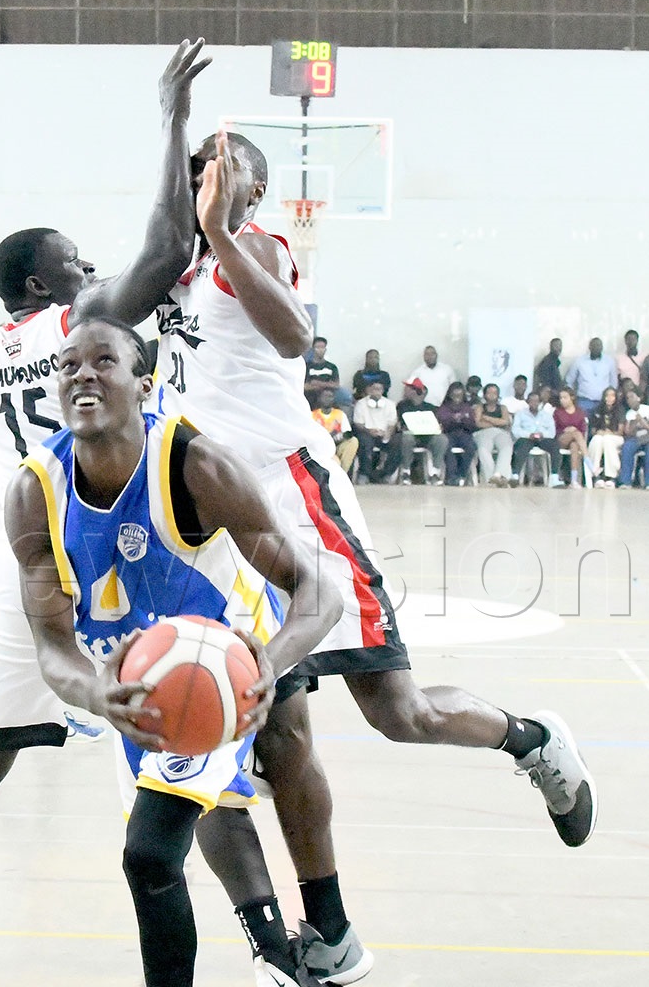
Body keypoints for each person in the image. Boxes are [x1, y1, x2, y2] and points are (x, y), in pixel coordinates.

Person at [154, 128, 596, 895]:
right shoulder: (172, 268)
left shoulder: (254, 246)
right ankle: (319, 930)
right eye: (196, 171)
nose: (204, 180)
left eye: (221, 171)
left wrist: (221, 226)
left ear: (252, 192)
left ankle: (531, 740)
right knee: (272, 720)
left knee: (399, 711)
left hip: (291, 493)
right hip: (215, 510)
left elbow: (295, 336)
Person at [0, 39, 217, 987]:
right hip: (83, 591)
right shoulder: (86, 324)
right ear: (41, 287)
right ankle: (277, 946)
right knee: (197, 767)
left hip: (30, 595)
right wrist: (171, 118)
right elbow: (168, 251)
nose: (90, 267)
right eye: (73, 261)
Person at [7, 316, 357, 987]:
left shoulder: (196, 463)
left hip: (225, 667)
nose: (83, 375)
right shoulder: (34, 489)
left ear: (145, 380)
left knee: (149, 853)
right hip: (135, 682)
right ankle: (284, 960)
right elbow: (53, 648)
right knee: (207, 822)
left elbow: (320, 590)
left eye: (106, 361)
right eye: (69, 365)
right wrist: (98, 693)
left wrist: (265, 667)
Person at [395, 376, 447, 485]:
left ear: (416, 391)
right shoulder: (402, 406)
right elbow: (399, 423)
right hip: (411, 435)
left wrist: (438, 428)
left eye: (408, 388)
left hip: (428, 436)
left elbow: (437, 424)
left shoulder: (431, 408)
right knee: (407, 438)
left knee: (442, 439)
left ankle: (435, 472)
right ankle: (406, 471)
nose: (405, 390)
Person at [510, 390, 563, 487]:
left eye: (536, 401)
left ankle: (554, 477)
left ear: (540, 402)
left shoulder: (546, 415)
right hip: (526, 438)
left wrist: (542, 434)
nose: (534, 403)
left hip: (542, 438)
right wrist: (528, 435)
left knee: (555, 446)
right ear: (527, 402)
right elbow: (515, 430)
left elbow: (552, 432)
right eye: (532, 401)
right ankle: (515, 476)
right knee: (521, 447)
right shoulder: (520, 414)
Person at [352, 380, 401, 483]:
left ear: (383, 391)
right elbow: (358, 423)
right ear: (368, 390)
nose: (376, 391)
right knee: (364, 441)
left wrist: (387, 434)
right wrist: (369, 431)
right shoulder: (361, 404)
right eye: (374, 389)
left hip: (384, 434)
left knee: (398, 442)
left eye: (379, 389)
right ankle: (364, 474)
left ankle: (387, 474)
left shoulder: (390, 404)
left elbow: (392, 423)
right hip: (367, 433)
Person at [435, 381, 477, 486]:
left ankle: (462, 475)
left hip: (464, 434)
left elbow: (472, 424)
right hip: (449, 434)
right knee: (447, 448)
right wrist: (455, 419)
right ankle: (452, 477)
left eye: (460, 395)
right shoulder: (443, 408)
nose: (457, 397)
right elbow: (443, 421)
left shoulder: (467, 407)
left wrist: (461, 420)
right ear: (450, 394)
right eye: (455, 395)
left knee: (471, 447)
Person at [311, 385, 358, 474]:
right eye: (325, 396)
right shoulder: (312, 415)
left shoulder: (340, 414)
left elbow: (348, 433)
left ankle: (342, 473)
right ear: (319, 398)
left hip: (336, 444)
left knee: (353, 441)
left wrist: (336, 437)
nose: (327, 399)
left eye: (330, 396)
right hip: (318, 447)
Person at [473, 381, 513, 486]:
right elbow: (478, 423)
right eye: (489, 392)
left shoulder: (503, 408)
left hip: (500, 432)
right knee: (483, 449)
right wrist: (496, 423)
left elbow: (505, 422)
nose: (492, 395)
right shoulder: (479, 407)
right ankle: (490, 479)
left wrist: (486, 418)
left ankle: (498, 475)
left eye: (495, 393)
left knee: (506, 447)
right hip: (483, 432)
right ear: (484, 394)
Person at [566, 338, 616, 416]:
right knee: (584, 425)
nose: (597, 347)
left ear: (602, 347)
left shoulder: (609, 361)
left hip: (603, 402)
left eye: (599, 345)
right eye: (594, 345)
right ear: (590, 347)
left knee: (601, 426)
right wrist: (572, 398)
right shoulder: (579, 361)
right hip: (584, 401)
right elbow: (569, 381)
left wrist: (611, 399)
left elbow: (613, 383)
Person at [587, 386, 625, 489]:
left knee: (607, 440)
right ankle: (596, 474)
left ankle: (611, 477)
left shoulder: (620, 410)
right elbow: (593, 430)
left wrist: (610, 433)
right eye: (607, 395)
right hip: (601, 436)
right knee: (597, 440)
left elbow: (621, 431)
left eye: (612, 395)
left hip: (615, 437)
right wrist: (600, 432)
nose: (609, 398)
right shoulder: (597, 409)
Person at [553, 386, 591, 488]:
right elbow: (554, 430)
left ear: (572, 398)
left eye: (565, 398)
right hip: (561, 439)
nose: (562, 400)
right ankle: (588, 461)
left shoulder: (580, 412)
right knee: (576, 433)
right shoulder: (558, 412)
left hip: (576, 440)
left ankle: (573, 480)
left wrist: (574, 431)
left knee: (574, 445)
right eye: (561, 398)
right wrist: (566, 430)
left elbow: (583, 430)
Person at [616, 387, 649, 489]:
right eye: (627, 398)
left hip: (647, 438)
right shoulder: (629, 414)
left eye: (632, 397)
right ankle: (626, 481)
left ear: (639, 398)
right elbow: (628, 433)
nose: (629, 400)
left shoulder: (647, 409)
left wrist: (642, 421)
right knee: (627, 448)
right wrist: (633, 424)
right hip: (635, 438)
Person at [303, 335, 339, 409]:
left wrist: (317, 383)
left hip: (328, 396)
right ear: (313, 349)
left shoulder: (332, 367)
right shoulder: (306, 366)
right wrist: (327, 384)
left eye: (322, 347)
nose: (320, 350)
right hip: (311, 396)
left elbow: (336, 385)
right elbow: (305, 386)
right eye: (318, 347)